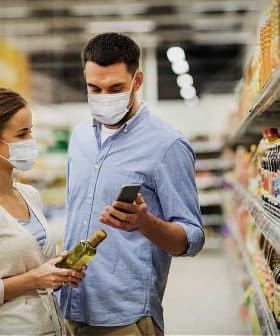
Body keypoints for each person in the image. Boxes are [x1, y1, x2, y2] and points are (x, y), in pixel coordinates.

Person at [61, 33, 204, 336]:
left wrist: (145, 223)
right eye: (94, 88)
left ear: (137, 80)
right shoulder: (79, 138)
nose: (103, 96)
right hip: (67, 306)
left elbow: (192, 238)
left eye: (115, 88)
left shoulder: (167, 145)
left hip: (124, 316)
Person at [0, 88, 85, 336]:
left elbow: (35, 265)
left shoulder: (29, 195)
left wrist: (57, 270)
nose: (31, 141)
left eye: (31, 131)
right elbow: (33, 276)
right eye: (22, 133)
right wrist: (35, 279)